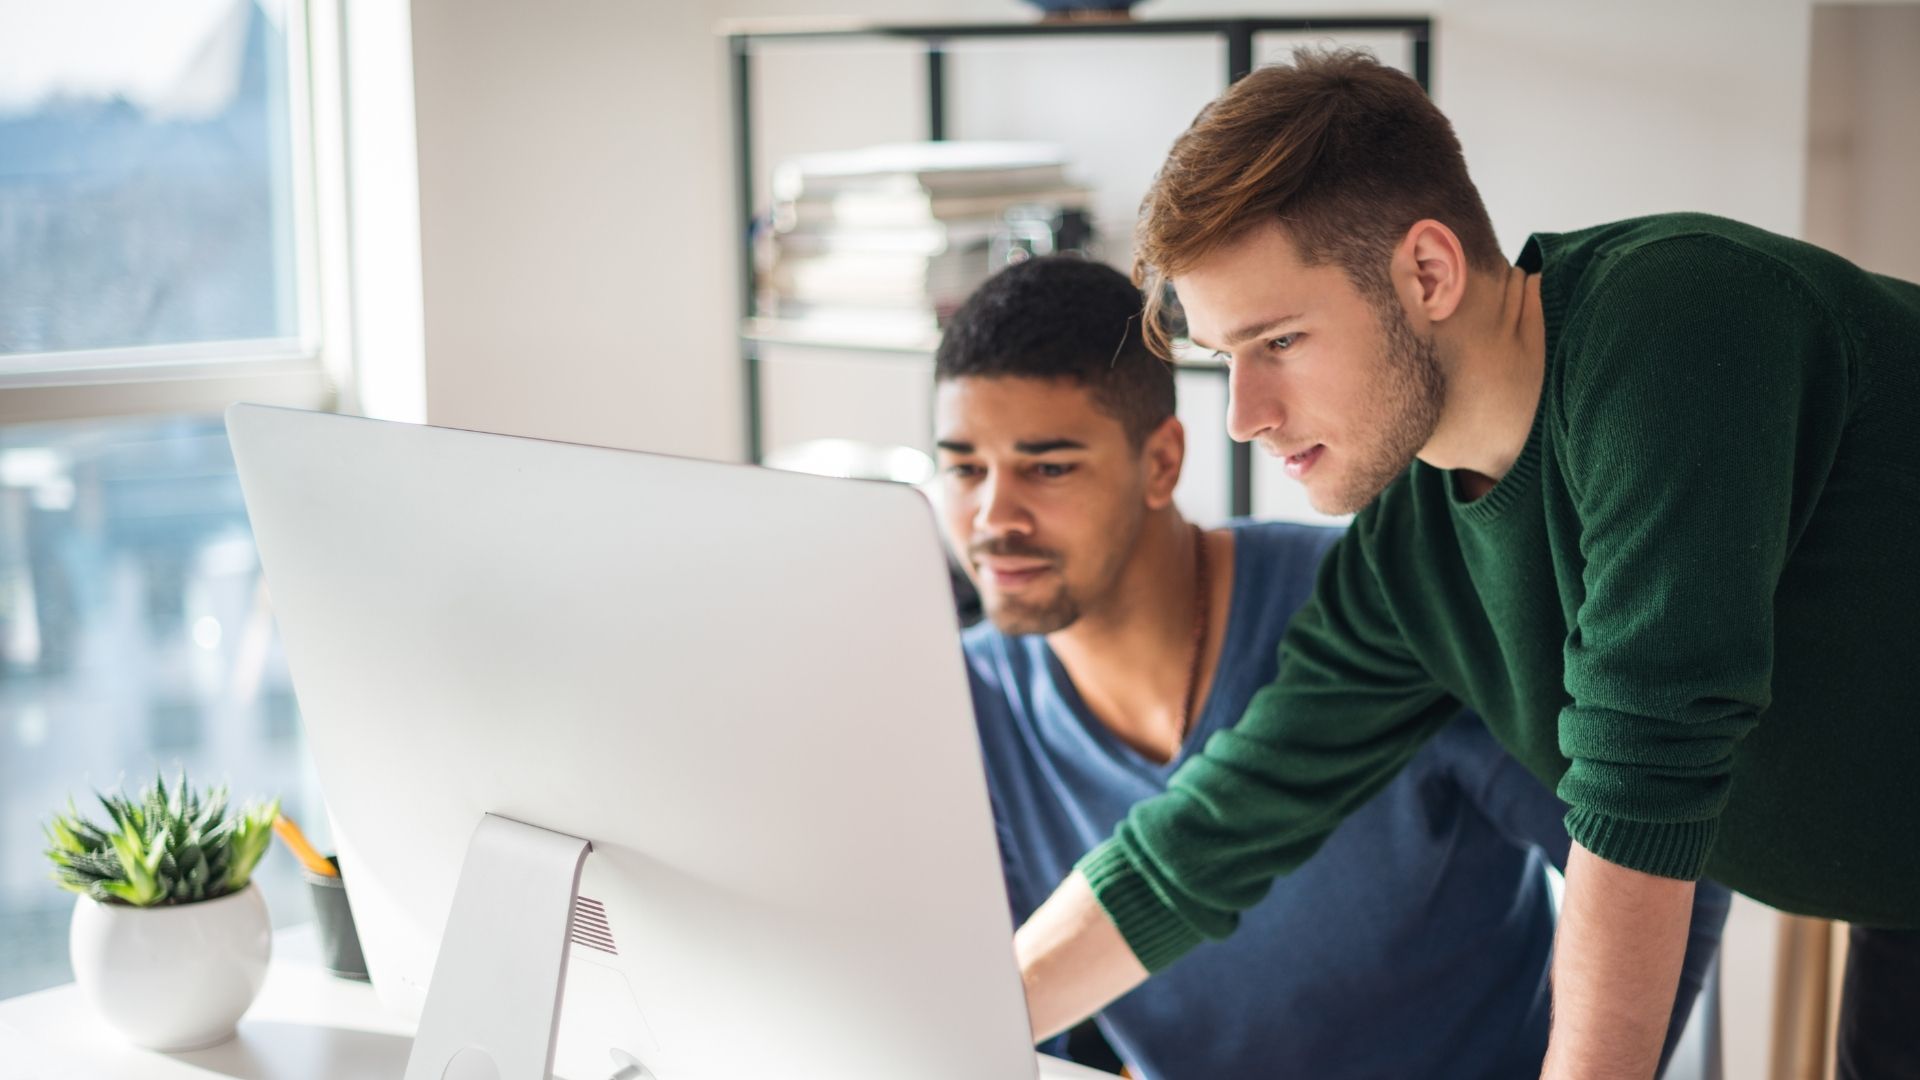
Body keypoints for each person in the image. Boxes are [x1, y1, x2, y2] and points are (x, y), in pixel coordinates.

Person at [1009, 50, 1920, 1080]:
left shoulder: (1676, 329)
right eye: (1227, 358)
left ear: (1428, 272)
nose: (1245, 417)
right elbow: (1212, 832)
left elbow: (1642, 794)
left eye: (1280, 342)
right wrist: (962, 1025)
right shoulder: (1410, 551)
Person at [936, 256, 1728, 1078]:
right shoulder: (965, 697)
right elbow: (1020, 1003)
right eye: (963, 468)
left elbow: (1669, 860)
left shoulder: (1388, 615)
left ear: (1162, 462)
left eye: (1049, 466)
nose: (995, 517)